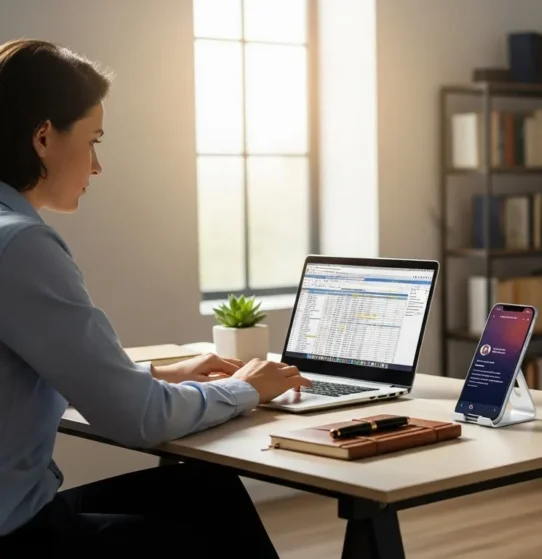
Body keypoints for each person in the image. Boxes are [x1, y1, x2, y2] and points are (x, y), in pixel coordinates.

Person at [0, 39, 312, 557]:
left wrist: (158, 376)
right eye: (93, 139)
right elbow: (136, 420)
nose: (97, 165)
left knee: (205, 490)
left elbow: (31, 374)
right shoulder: (21, 246)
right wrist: (247, 389)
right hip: (18, 531)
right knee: (208, 518)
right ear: (43, 138)